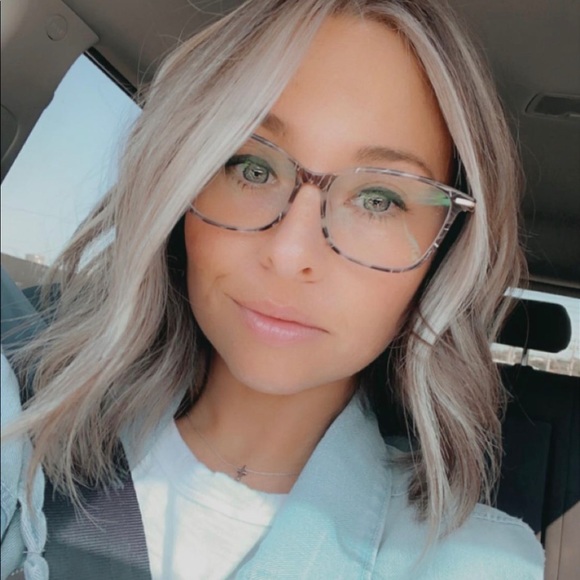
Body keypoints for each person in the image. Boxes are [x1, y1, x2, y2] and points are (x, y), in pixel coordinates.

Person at [1, 0, 545, 578]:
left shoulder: (479, 564)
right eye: (253, 168)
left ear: (445, 252)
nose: (288, 255)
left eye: (379, 199)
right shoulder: (22, 426)